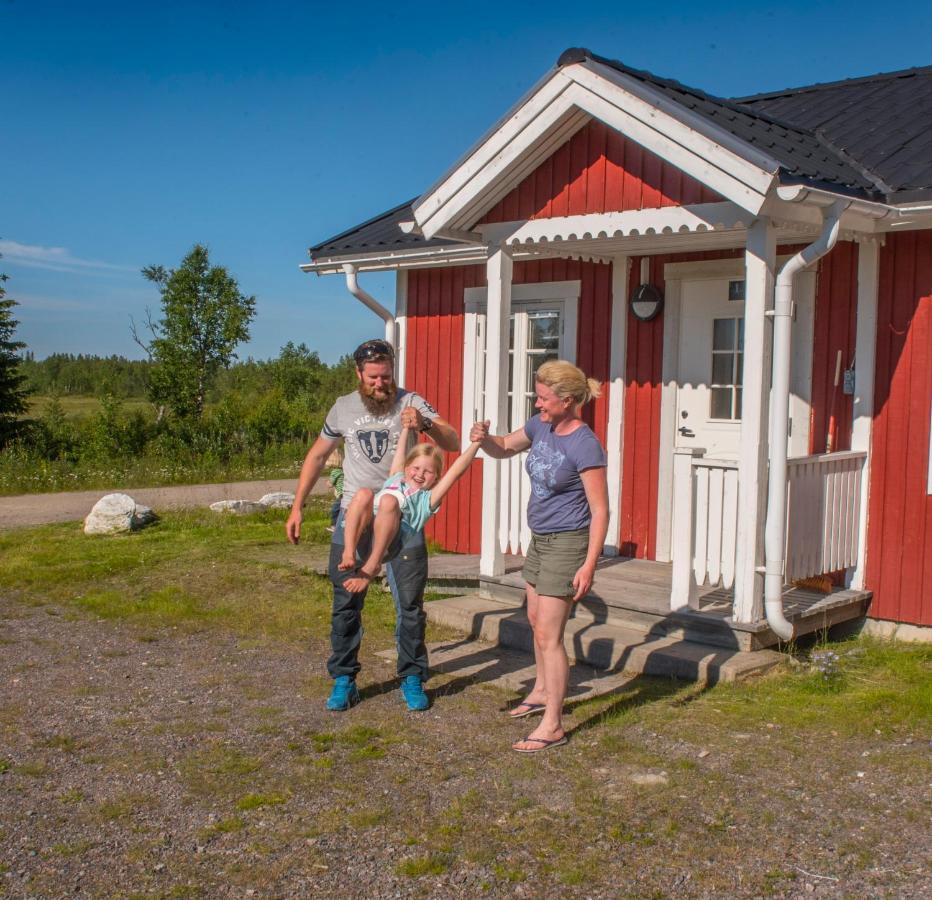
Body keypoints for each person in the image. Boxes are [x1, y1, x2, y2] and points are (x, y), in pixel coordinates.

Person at [286, 339, 459, 712]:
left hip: (405, 518)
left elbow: (453, 440)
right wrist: (297, 506)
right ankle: (344, 679)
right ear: (359, 374)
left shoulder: (412, 402)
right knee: (345, 603)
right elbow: (317, 456)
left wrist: (425, 423)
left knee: (410, 606)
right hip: (355, 516)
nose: (381, 384)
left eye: (387, 376)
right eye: (374, 377)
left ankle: (412, 677)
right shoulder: (343, 408)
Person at [470, 360, 608, 752]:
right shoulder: (540, 426)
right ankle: (542, 691)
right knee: (535, 621)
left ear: (567, 400)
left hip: (568, 543)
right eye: (538, 395)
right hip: (540, 539)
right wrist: (484, 438)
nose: (538, 402)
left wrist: (589, 563)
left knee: (550, 634)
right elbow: (503, 447)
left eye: (544, 397)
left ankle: (553, 725)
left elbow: (600, 510)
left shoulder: (584, 444)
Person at [340, 424, 481, 593]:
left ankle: (373, 564)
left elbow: (456, 471)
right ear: (407, 468)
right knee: (364, 493)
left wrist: (476, 443)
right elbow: (400, 453)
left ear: (436, 478)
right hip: (364, 533)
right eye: (416, 468)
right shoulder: (395, 478)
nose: (420, 474)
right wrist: (405, 428)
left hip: (388, 544)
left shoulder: (427, 499)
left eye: (428, 471)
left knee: (389, 501)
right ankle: (348, 552)